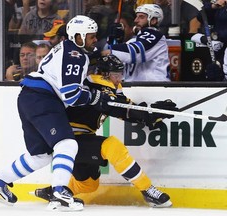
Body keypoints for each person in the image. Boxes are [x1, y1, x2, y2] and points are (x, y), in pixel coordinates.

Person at [0, 15, 118, 211]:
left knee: (40, 155)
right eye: (91, 36)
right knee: (68, 143)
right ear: (78, 36)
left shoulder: (69, 48)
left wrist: (98, 57)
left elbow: (89, 58)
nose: (94, 40)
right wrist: (97, 97)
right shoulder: (75, 56)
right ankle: (60, 193)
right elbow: (71, 96)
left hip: (30, 98)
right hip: (43, 99)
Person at [34, 55, 175, 208]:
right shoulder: (94, 85)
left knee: (88, 185)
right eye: (116, 75)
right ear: (104, 74)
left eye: (121, 74)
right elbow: (120, 109)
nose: (119, 79)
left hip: (80, 141)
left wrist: (150, 115)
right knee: (111, 145)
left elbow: (126, 109)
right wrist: (149, 113)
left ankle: (53, 192)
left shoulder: (110, 88)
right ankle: (148, 190)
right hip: (68, 141)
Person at [102, 4, 171, 81]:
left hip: (156, 87)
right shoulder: (134, 41)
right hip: (138, 87)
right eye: (137, 16)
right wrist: (113, 42)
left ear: (153, 20)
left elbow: (134, 53)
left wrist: (109, 50)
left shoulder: (155, 35)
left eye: (141, 17)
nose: (136, 20)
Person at [190, 0, 227, 81]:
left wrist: (217, 36)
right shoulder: (222, 7)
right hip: (218, 50)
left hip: (221, 43)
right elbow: (201, 17)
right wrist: (213, 6)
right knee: (214, 73)